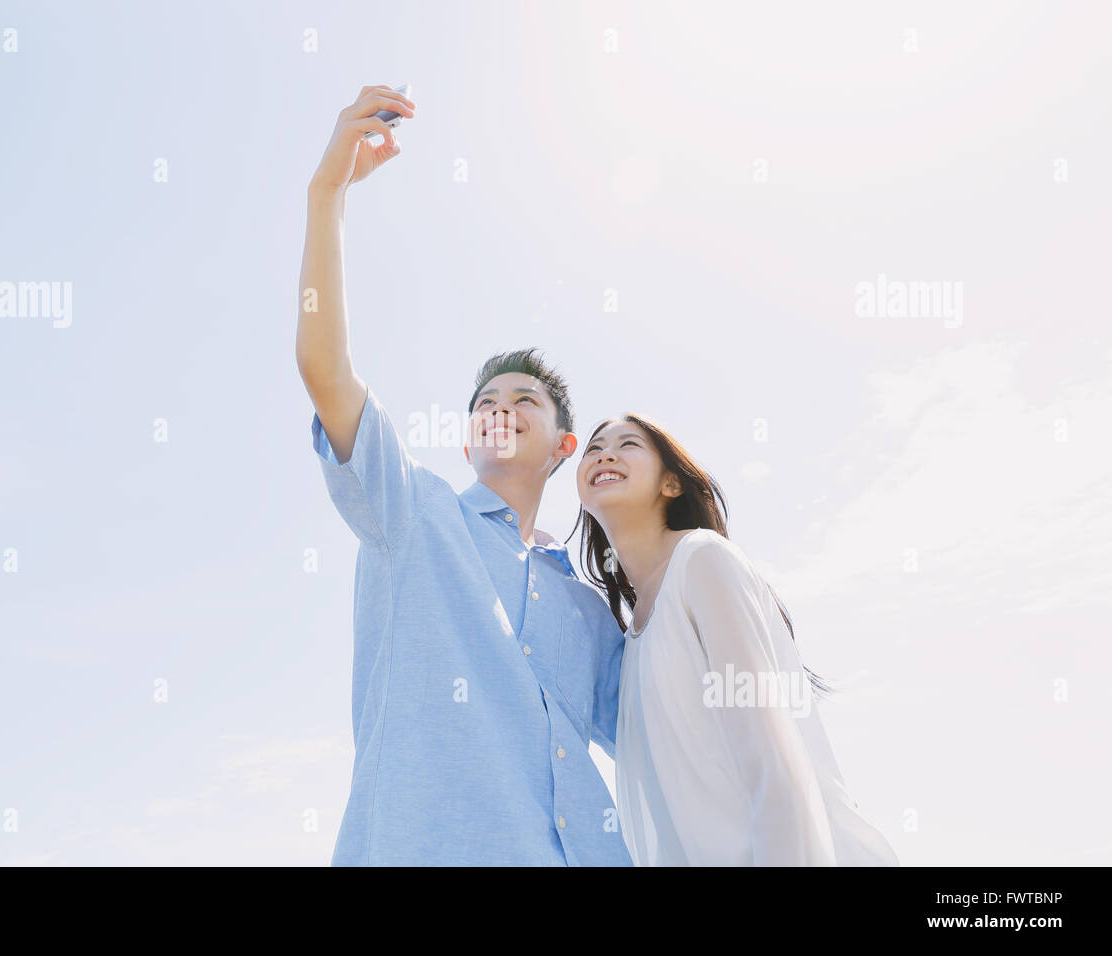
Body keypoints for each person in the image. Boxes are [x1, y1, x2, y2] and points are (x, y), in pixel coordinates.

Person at [297, 84, 633, 865]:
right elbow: (325, 367)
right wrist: (328, 197)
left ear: (564, 446)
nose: (503, 407)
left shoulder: (587, 614)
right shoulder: (412, 516)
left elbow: (671, 735)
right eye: (487, 401)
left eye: (526, 400)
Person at [574, 414, 900, 866]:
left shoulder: (703, 562)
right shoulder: (632, 640)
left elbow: (778, 771)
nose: (605, 454)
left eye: (628, 444)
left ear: (671, 484)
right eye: (593, 448)